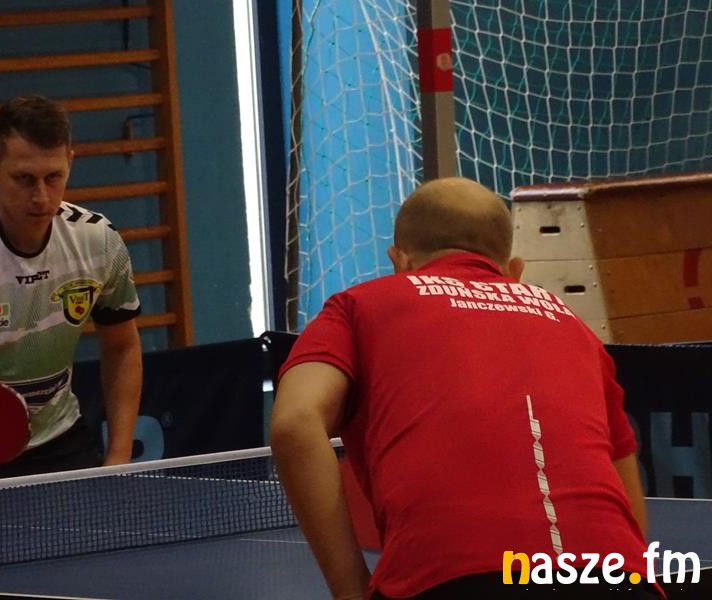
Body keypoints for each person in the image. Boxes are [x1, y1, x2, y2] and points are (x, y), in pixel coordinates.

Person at [270, 177, 661, 598]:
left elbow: (295, 422)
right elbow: (629, 499)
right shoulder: (573, 325)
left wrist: (350, 592)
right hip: (620, 577)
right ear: (514, 270)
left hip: (451, 578)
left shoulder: (358, 306)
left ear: (399, 261)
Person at [0, 95, 143, 488]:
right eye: (24, 179)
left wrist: (118, 459)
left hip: (56, 443)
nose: (41, 197)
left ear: (70, 162)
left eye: (53, 177)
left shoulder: (98, 242)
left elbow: (122, 347)